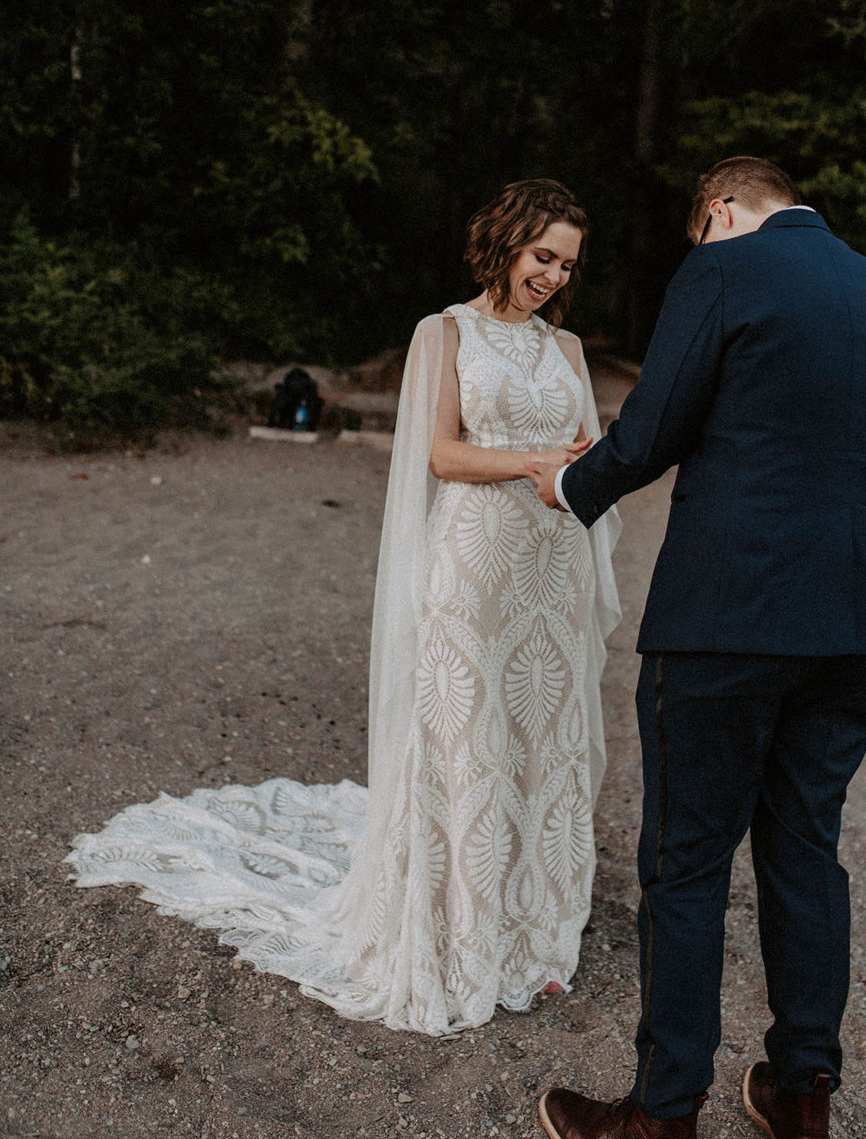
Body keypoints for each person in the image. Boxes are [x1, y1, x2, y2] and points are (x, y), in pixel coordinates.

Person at [66, 178, 620, 1035]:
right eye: (542, 255)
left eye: (567, 264)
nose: (553, 275)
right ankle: (460, 934)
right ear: (506, 242)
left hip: (551, 569)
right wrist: (534, 461)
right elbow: (439, 455)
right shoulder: (445, 333)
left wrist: (581, 462)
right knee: (469, 739)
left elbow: (587, 452)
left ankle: (529, 929)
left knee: (539, 739)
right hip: (476, 563)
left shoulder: (572, 351)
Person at [528, 157, 866, 1139]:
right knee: (805, 846)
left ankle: (662, 1111)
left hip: (728, 616)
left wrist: (572, 487)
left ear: (718, 211)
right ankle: (800, 1092)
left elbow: (653, 425)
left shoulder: (722, 270)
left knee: (687, 861)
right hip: (859, 620)